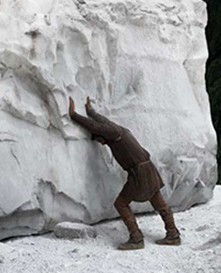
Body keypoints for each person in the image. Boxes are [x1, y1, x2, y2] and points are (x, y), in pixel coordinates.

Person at [69, 96, 181, 250]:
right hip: (149, 169)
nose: (100, 142)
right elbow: (103, 122)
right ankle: (173, 234)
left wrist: (74, 115)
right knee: (158, 202)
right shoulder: (118, 131)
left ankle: (136, 238)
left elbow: (96, 127)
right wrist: (91, 111)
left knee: (121, 203)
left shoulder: (113, 133)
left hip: (139, 173)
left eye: (99, 140)